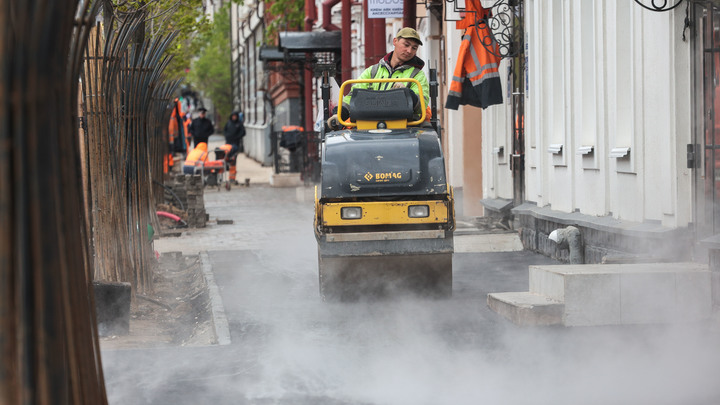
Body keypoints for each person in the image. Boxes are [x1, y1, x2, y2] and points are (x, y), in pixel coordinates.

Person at [327, 27, 430, 129]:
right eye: (406, 45)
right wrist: (339, 115)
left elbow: (422, 105)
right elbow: (353, 96)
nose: (409, 51)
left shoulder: (417, 75)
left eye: (414, 48)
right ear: (395, 41)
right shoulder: (373, 71)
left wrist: (407, 93)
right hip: (368, 127)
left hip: (403, 128)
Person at [223, 111, 246, 185]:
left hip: (235, 144)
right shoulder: (229, 123)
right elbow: (225, 130)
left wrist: (237, 137)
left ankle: (232, 178)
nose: (234, 118)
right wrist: (227, 136)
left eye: (235, 116)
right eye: (233, 116)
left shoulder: (239, 124)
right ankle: (225, 171)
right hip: (228, 144)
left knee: (233, 159)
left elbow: (243, 132)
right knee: (226, 158)